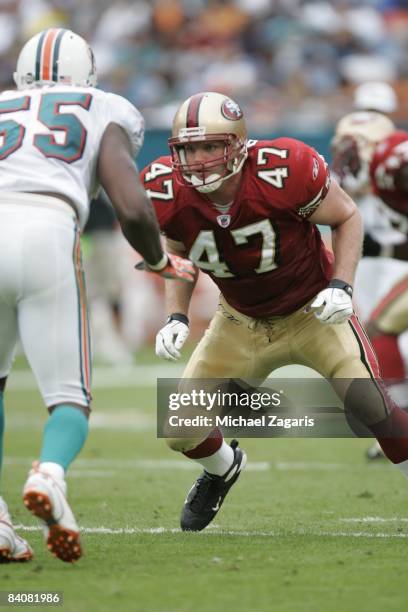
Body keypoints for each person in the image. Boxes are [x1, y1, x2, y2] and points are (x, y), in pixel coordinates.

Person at [142, 91, 408, 532]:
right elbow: (176, 249)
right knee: (179, 428)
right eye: (188, 148)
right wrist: (177, 315)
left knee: (370, 405)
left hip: (312, 314)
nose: (198, 159)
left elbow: (346, 216)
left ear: (238, 144)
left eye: (210, 145)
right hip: (239, 321)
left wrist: (341, 286)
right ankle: (222, 468)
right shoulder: (165, 188)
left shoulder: (284, 168)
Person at [0, 28, 194, 563]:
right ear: (85, 72)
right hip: (46, 227)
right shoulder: (102, 106)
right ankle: (51, 474)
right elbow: (130, 205)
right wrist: (158, 261)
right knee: (69, 396)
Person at [332, 111, 408, 459]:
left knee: (382, 328)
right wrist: (385, 247)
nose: (346, 161)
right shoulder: (381, 178)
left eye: (353, 151)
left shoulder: (396, 166)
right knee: (382, 326)